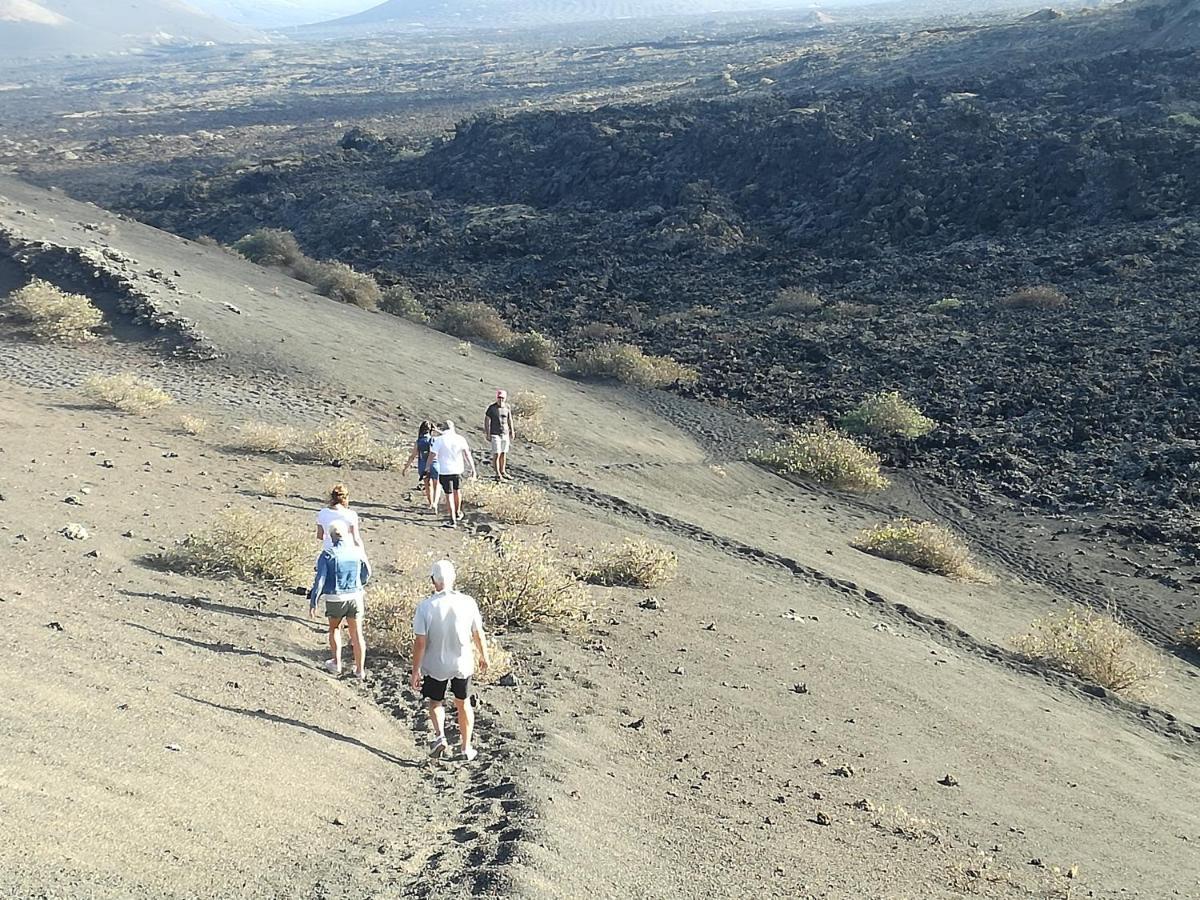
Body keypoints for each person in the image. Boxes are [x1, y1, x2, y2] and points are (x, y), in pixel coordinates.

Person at [411, 559, 490, 761]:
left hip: (435, 664)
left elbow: (420, 642)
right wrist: (484, 656)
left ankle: (440, 737)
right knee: (463, 703)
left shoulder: (425, 607)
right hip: (462, 663)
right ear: (453, 578)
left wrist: (415, 670)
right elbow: (478, 633)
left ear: (433, 581)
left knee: (436, 701)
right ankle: (466, 748)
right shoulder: (467, 602)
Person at [308, 521, 371, 679]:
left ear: (330, 536)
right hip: (355, 596)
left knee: (334, 628)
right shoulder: (356, 552)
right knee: (357, 634)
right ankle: (359, 670)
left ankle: (336, 663)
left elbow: (320, 580)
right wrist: (360, 583)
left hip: (335, 597)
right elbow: (367, 572)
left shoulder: (327, 554)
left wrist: (314, 600)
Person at [427, 419, 477, 528]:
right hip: (458, 470)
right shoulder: (460, 439)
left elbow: (432, 455)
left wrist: (427, 467)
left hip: (445, 471)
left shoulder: (439, 440)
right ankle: (458, 512)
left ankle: (452, 519)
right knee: (457, 491)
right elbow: (467, 455)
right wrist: (473, 469)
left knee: (448, 494)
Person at [316, 483, 363, 551]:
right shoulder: (351, 515)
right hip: (347, 551)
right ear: (345, 498)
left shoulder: (322, 513)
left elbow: (320, 536)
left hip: (329, 551)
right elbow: (356, 539)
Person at [404, 421, 438, 510]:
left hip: (423, 465)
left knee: (427, 485)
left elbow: (412, 456)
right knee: (436, 485)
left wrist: (406, 468)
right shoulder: (433, 440)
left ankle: (431, 503)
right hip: (434, 464)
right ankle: (435, 502)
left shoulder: (419, 441)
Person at [483, 390, 515, 481]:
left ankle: (503, 471)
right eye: (499, 398)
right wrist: (487, 433)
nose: (500, 400)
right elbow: (487, 420)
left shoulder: (507, 407)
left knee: (503, 453)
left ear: (505, 398)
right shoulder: (492, 408)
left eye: (502, 398)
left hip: (504, 433)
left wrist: (512, 430)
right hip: (495, 434)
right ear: (496, 398)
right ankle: (497, 474)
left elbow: (509, 419)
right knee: (496, 453)